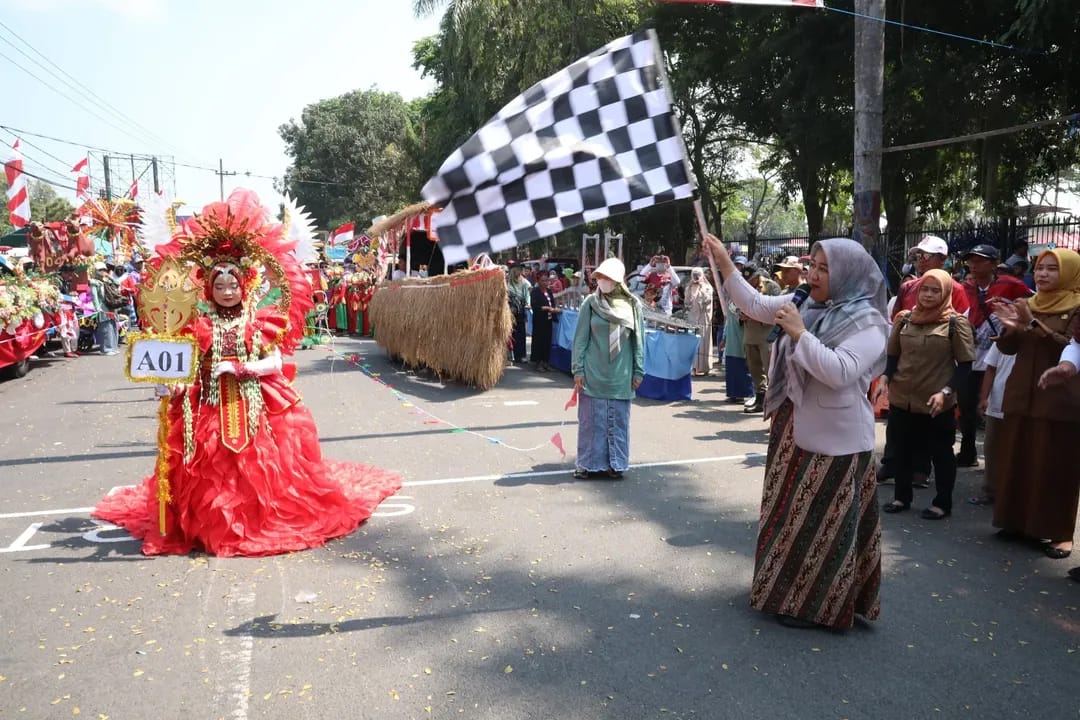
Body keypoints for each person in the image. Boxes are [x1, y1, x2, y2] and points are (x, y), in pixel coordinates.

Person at [93, 189, 402, 557]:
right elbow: (183, 369)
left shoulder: (260, 320)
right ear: (208, 288)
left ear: (244, 286)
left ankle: (257, 520)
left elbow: (276, 363)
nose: (227, 292)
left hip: (256, 406)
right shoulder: (197, 324)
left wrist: (242, 368)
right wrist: (169, 386)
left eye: (232, 285)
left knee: (262, 468)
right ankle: (212, 526)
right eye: (219, 285)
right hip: (206, 408)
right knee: (208, 471)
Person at [703, 233, 886, 631]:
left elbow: (839, 371)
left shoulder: (868, 322)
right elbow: (754, 304)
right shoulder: (806, 303)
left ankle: (820, 607)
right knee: (792, 516)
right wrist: (723, 261)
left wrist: (801, 334)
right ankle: (785, 593)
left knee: (822, 525)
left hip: (835, 441)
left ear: (848, 275)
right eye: (813, 266)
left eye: (825, 269)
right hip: (793, 426)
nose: (813, 275)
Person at [986, 248, 1080, 560]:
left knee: (1055, 466)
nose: (1043, 274)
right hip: (1021, 394)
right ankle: (1015, 522)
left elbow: (1069, 349)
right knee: (1017, 459)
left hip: (1059, 399)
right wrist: (1011, 329)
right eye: (1040, 268)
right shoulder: (1029, 303)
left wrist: (1033, 325)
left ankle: (1059, 533)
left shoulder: (1076, 307)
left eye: (1053, 269)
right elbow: (1011, 349)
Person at [880, 270, 974, 520]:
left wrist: (946, 392)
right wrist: (886, 377)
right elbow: (893, 355)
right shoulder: (905, 319)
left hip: (936, 402)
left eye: (935, 290)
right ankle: (901, 497)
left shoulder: (955, 323)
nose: (929, 295)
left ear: (946, 293)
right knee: (902, 449)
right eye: (924, 289)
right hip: (903, 398)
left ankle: (942, 502)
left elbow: (965, 365)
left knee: (941, 452)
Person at [956, 244, 1032, 467]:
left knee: (995, 406)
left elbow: (1032, 304)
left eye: (980, 260)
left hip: (1001, 355)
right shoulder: (965, 288)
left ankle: (1001, 458)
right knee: (966, 406)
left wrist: (1014, 321)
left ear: (994, 264)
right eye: (971, 260)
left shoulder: (1011, 285)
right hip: (971, 355)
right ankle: (968, 451)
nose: (974, 265)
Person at [571, 257, 645, 480]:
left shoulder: (633, 305)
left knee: (618, 422)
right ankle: (587, 464)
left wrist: (639, 370)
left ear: (617, 280)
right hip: (593, 373)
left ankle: (616, 463)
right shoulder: (591, 303)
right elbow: (580, 339)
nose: (602, 280)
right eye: (600, 277)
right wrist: (578, 369)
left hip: (621, 375)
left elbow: (639, 341)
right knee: (590, 422)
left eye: (606, 277)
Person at [739, 265, 781, 413]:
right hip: (750, 333)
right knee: (754, 368)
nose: (748, 282)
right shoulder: (743, 288)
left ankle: (774, 402)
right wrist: (741, 314)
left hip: (765, 334)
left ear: (757, 276)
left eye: (751, 279)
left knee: (770, 369)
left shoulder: (771, 287)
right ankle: (760, 399)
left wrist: (754, 315)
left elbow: (775, 309)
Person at [685, 267, 714, 376]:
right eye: (694, 274)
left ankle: (706, 367)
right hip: (692, 319)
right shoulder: (689, 287)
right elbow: (687, 302)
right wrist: (690, 288)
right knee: (692, 342)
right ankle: (693, 368)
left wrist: (701, 288)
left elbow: (707, 301)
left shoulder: (707, 287)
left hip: (703, 319)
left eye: (698, 274)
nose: (696, 277)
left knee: (704, 341)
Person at [530, 272, 561, 371]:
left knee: (547, 341)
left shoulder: (549, 291)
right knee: (539, 341)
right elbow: (534, 306)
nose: (545, 282)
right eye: (542, 280)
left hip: (548, 320)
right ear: (538, 281)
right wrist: (546, 308)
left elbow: (552, 303)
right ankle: (538, 362)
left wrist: (554, 309)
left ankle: (546, 362)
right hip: (539, 320)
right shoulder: (535, 291)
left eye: (546, 280)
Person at [89, 261, 120, 355]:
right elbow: (94, 296)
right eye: (100, 270)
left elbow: (117, 283)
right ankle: (106, 349)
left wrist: (109, 276)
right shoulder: (94, 282)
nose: (102, 272)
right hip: (103, 308)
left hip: (111, 306)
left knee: (113, 327)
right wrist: (97, 308)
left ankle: (113, 347)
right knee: (106, 329)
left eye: (104, 270)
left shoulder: (106, 280)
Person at [507, 264, 531, 363]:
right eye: (517, 270)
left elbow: (527, 295)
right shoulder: (507, 282)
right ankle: (510, 356)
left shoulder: (524, 282)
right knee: (509, 333)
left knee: (520, 333)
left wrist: (528, 303)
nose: (519, 272)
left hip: (520, 311)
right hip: (509, 311)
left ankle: (521, 356)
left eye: (520, 270)